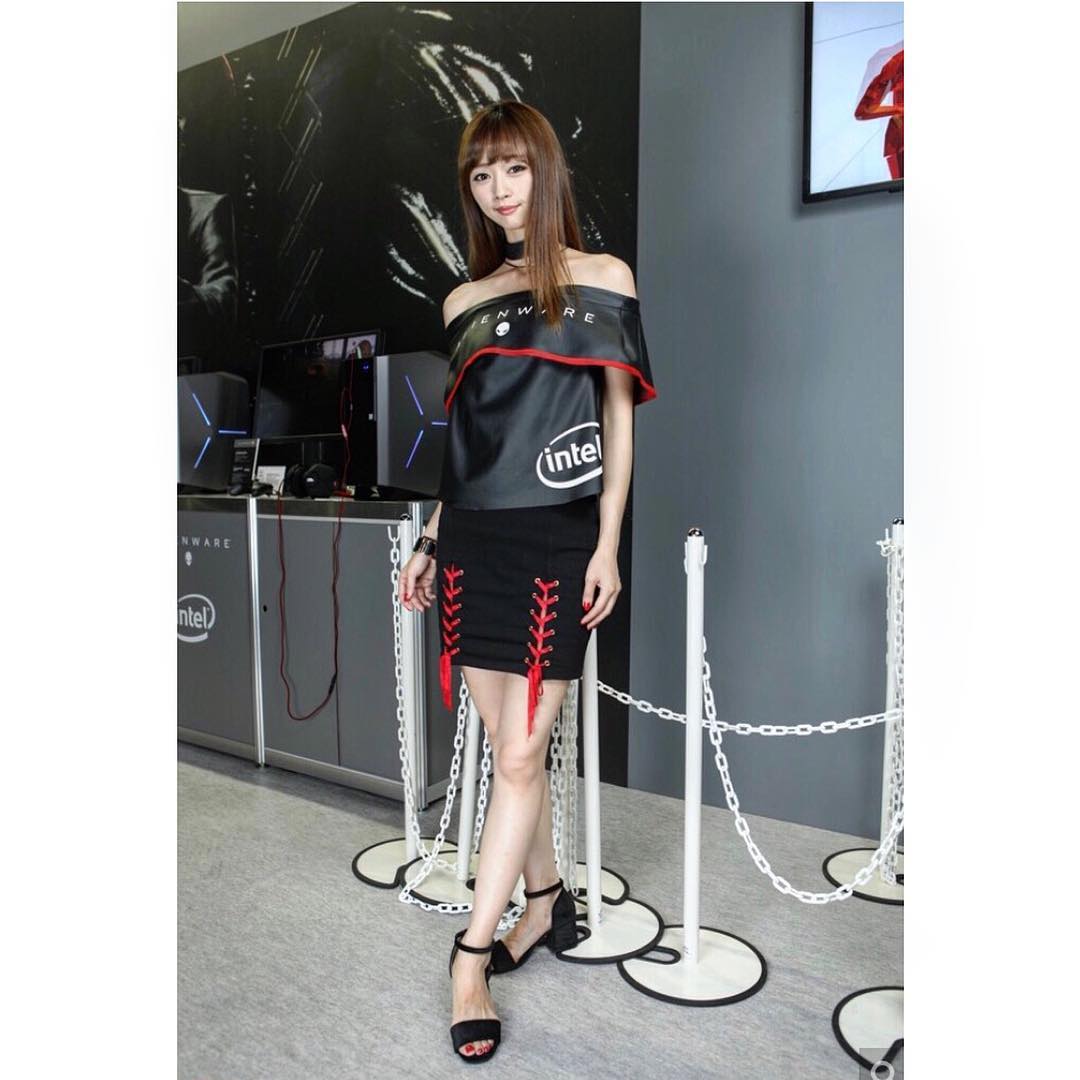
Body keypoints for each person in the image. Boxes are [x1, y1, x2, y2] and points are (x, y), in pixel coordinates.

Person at [397, 100, 657, 1063]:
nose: (497, 190)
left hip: (556, 537)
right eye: (480, 175)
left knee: (517, 755)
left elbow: (618, 421)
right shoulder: (464, 300)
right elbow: (468, 441)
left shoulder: (604, 279)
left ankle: (471, 957)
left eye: (512, 168)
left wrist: (607, 544)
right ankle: (545, 901)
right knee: (513, 752)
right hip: (472, 539)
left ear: (545, 170)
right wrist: (430, 539)